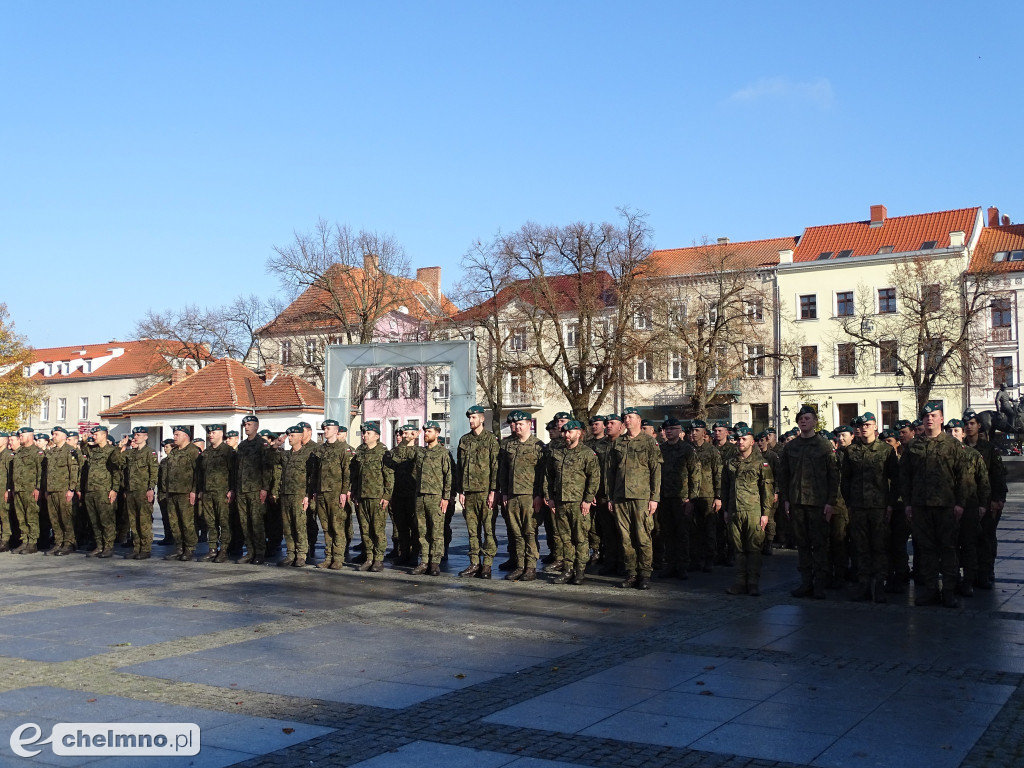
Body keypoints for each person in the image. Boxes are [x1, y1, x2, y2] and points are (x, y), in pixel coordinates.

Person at [900, 401, 966, 608]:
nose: (929, 419)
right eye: (926, 416)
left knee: (948, 549)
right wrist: (908, 504)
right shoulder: (913, 446)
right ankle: (930, 590)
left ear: (941, 419)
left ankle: (948, 591)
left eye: (934, 415)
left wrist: (960, 503)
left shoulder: (952, 445)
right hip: (921, 506)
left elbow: (963, 477)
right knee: (926, 550)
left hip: (946, 506)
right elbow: (905, 477)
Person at [777, 406, 839, 599]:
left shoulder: (823, 445)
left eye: (807, 418)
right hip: (797, 502)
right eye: (801, 418)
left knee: (820, 544)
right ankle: (806, 582)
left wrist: (831, 502)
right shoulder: (791, 447)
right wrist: (786, 499)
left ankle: (820, 584)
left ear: (814, 421)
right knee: (802, 545)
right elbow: (784, 475)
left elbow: (833, 476)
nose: (803, 421)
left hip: (818, 503)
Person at [840, 413, 898, 602]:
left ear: (875, 427)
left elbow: (895, 480)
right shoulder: (851, 451)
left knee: (880, 547)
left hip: (879, 507)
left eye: (868, 424)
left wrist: (890, 504)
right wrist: (849, 503)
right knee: (861, 547)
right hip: (858, 507)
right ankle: (864, 585)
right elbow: (845, 479)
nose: (864, 427)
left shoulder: (886, 450)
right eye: (861, 425)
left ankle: (880, 585)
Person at [607, 406, 663, 590]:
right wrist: (611, 497)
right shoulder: (618, 443)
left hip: (641, 496)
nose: (627, 420)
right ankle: (631, 573)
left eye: (631, 417)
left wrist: (654, 498)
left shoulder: (648, 442)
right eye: (625, 417)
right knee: (625, 538)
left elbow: (656, 471)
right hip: (621, 496)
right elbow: (611, 472)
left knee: (643, 536)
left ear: (639, 420)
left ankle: (645, 574)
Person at [543, 420, 599, 584]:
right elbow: (548, 477)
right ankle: (568, 569)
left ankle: (580, 570)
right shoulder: (557, 453)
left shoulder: (587, 453)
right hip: (560, 502)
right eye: (565, 432)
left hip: (579, 502)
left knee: (580, 537)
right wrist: (549, 497)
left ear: (579, 433)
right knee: (565, 539)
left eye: (570, 432)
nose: (567, 435)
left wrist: (588, 500)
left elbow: (594, 478)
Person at [722, 425, 773, 596]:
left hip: (753, 511)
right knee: (738, 549)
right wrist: (727, 510)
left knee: (753, 549)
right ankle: (739, 582)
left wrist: (766, 514)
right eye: (738, 439)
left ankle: (752, 583)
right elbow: (726, 487)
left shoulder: (761, 463)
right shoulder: (730, 463)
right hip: (735, 511)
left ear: (752, 441)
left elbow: (767, 490)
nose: (740, 442)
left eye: (744, 439)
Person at [497, 411, 545, 581]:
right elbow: (503, 471)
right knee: (516, 533)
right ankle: (520, 565)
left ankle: (531, 567)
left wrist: (539, 495)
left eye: (521, 424)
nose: (517, 427)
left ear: (529, 424)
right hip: (512, 495)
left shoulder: (539, 446)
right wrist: (503, 492)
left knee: (529, 532)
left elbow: (543, 474)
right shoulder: (509, 445)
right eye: (515, 424)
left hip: (530, 496)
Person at [963, 410, 1007, 590]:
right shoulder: (960, 447)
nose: (968, 426)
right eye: (966, 424)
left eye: (972, 423)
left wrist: (998, 498)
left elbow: (997, 475)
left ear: (979, 425)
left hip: (986, 500)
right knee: (969, 540)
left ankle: (986, 572)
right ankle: (971, 575)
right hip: (967, 501)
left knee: (987, 538)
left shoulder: (989, 448)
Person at [455, 405, 500, 578]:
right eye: (469, 418)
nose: (471, 421)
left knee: (488, 529)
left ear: (482, 419)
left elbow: (495, 467)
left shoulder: (491, 440)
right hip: (469, 492)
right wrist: (461, 490)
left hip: (485, 492)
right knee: (472, 531)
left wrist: (493, 491)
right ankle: (474, 563)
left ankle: (487, 564)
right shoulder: (464, 440)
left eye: (474, 418)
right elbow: (460, 467)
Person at [946, 418, 990, 597]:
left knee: (969, 545)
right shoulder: (941, 455)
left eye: (956, 430)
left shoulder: (973, 455)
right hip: (947, 507)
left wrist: (982, 505)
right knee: (950, 546)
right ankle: (953, 579)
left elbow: (984, 481)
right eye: (949, 431)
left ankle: (968, 581)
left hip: (969, 507)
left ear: (963, 433)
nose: (953, 434)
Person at [658, 417, 698, 579]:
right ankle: (670, 564)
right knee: (667, 532)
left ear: (679, 431)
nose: (669, 431)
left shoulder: (687, 449)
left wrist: (691, 498)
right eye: (667, 429)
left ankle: (682, 566)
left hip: (681, 498)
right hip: (664, 496)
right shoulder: (660, 449)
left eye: (672, 429)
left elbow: (695, 475)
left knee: (682, 533)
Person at [350, 421, 394, 572]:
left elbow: (389, 476)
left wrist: (386, 496)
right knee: (365, 529)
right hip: (362, 496)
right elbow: (355, 475)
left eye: (368, 433)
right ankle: (369, 557)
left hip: (377, 496)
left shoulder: (383, 452)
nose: (364, 436)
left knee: (378, 529)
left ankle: (378, 559)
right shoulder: (360, 451)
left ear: (376, 436)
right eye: (363, 433)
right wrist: (355, 493)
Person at [411, 421, 452, 576]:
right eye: (425, 431)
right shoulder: (420, 453)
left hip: (436, 497)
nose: (426, 434)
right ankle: (424, 561)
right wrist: (413, 438)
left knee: (436, 531)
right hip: (420, 496)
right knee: (422, 531)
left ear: (437, 433)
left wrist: (446, 497)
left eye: (429, 431)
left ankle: (435, 563)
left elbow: (448, 476)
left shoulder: (443, 453)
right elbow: (415, 472)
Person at [234, 416, 271, 565]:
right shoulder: (242, 446)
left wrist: (264, 488)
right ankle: (249, 551)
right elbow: (237, 468)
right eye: (245, 424)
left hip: (256, 489)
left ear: (256, 426)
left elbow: (267, 468)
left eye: (249, 424)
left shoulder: (262, 444)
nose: (246, 427)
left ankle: (260, 552)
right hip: (242, 489)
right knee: (245, 522)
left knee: (256, 522)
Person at [197, 425, 235, 562]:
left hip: (222, 492)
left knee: (224, 522)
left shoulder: (228, 451)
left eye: (213, 432)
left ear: (221, 434)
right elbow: (201, 473)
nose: (210, 435)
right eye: (209, 433)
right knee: (210, 522)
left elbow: (234, 472)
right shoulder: (206, 453)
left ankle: (224, 550)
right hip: (208, 492)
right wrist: (201, 490)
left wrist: (232, 489)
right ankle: (212, 549)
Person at [162, 426, 201, 561]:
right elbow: (168, 473)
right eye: (174, 434)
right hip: (172, 492)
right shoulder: (173, 452)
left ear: (185, 436)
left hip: (186, 492)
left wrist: (194, 491)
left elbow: (198, 473)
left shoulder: (193, 451)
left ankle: (189, 548)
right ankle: (179, 547)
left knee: (187, 522)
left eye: (177, 434)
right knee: (174, 522)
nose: (175, 437)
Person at [689, 419, 722, 573]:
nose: (693, 433)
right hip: (691, 495)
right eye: (692, 430)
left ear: (704, 432)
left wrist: (718, 496)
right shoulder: (687, 449)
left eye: (697, 430)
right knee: (694, 530)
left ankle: (710, 558)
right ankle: (696, 559)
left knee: (709, 529)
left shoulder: (712, 450)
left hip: (707, 495)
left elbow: (718, 474)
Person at [122, 426, 158, 560]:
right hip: (131, 491)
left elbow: (153, 472)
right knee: (133, 521)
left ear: (146, 437)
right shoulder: (131, 453)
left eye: (138, 435)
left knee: (144, 521)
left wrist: (151, 488)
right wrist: (121, 447)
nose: (135, 437)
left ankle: (146, 549)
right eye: (134, 435)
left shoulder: (150, 452)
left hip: (143, 491)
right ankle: (136, 547)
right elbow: (117, 462)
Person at [385, 425, 419, 566]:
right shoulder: (396, 451)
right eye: (402, 433)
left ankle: (414, 555)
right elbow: (394, 459)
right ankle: (403, 553)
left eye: (407, 433)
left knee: (415, 527)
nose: (404, 436)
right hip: (398, 494)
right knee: (401, 527)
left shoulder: (419, 451)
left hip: (413, 495)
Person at [43, 426, 79, 556]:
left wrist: (71, 489)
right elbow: (47, 472)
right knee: (54, 518)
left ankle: (69, 542)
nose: (53, 436)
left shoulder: (70, 451)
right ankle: (58, 542)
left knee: (66, 518)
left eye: (56, 434)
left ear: (64, 436)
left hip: (64, 490)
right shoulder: (51, 452)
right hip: (52, 490)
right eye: (53, 434)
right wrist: (46, 489)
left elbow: (73, 471)